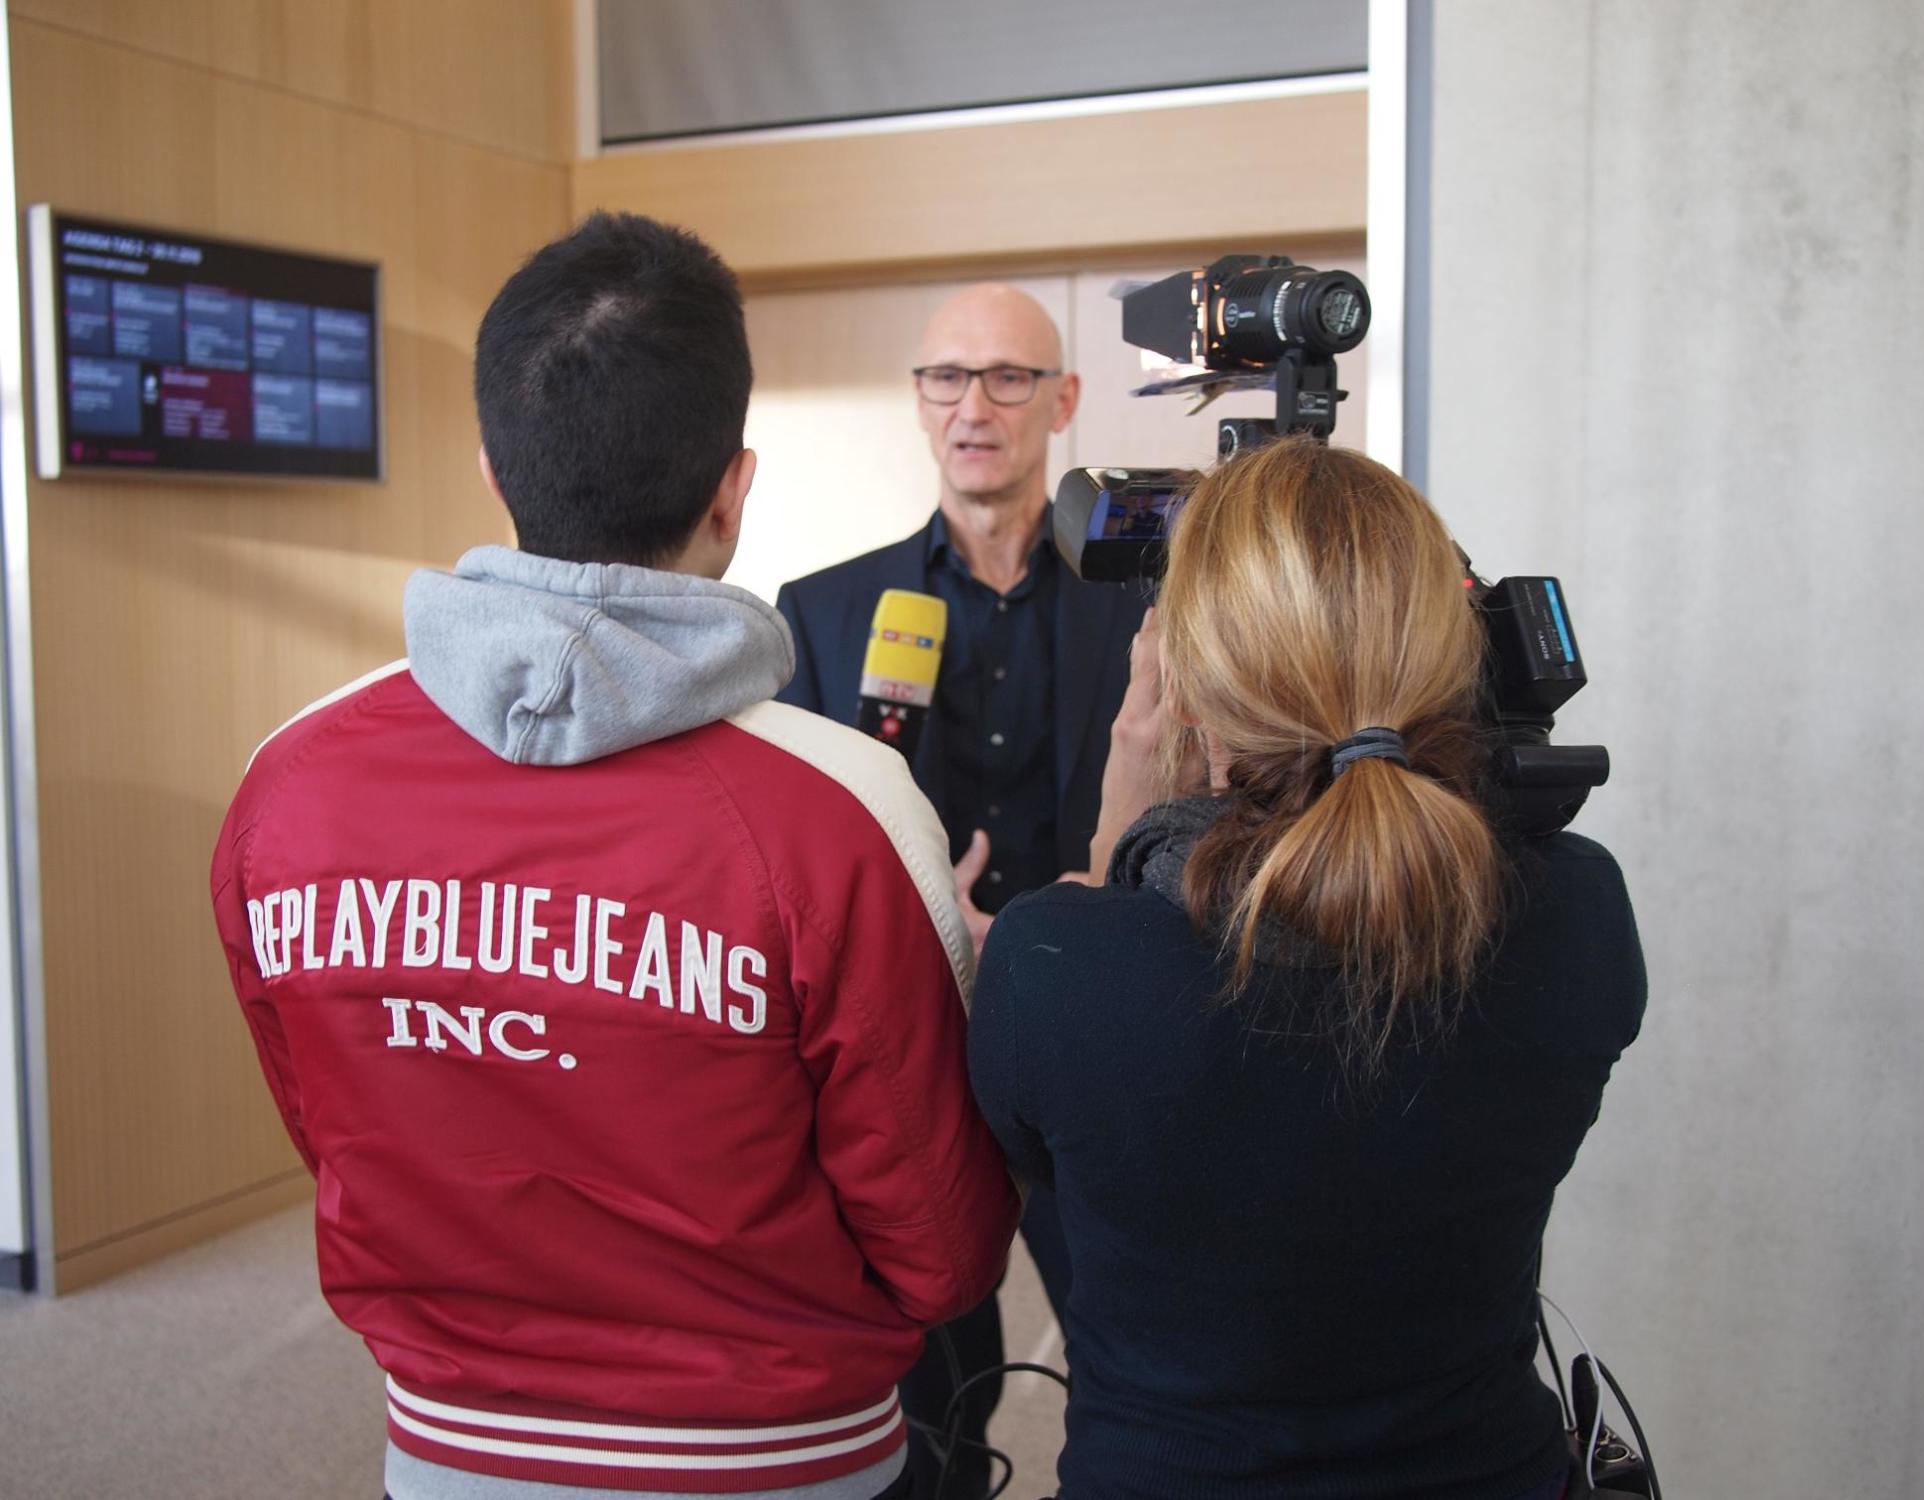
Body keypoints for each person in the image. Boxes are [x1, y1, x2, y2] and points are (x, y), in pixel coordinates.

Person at [209, 214, 1017, 1500]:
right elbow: (944, 1249)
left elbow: (341, 1142)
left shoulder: (286, 785)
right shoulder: (845, 809)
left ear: (495, 468)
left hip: (445, 1449)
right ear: (732, 489)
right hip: (785, 1458)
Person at [969, 437, 1648, 1499]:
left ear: (1185, 692)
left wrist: (1114, 843)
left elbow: (1056, 1155)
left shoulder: (1059, 967)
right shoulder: (1580, 911)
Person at [774, 284, 1147, 1499]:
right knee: (931, 1386)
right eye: (945, 376)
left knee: (1132, 1357)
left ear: (1062, 401)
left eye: (1006, 377)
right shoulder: (824, 612)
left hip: (1095, 1034)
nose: (971, 407)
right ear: (918, 398)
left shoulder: (1145, 602)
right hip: (905, 1048)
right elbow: (789, 849)